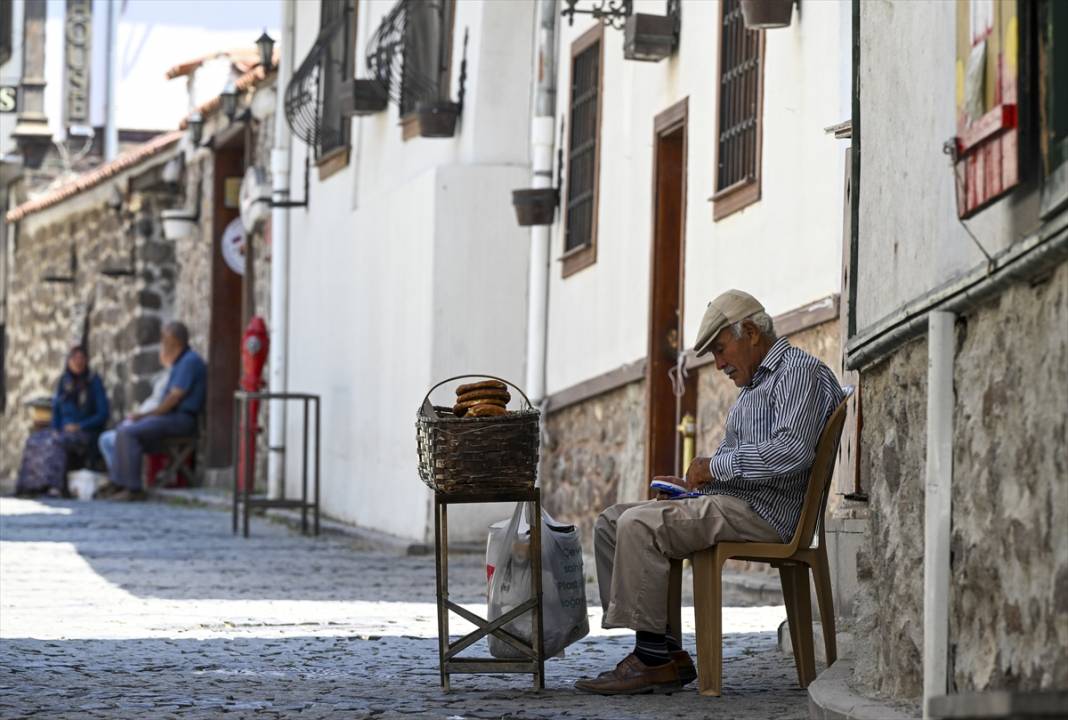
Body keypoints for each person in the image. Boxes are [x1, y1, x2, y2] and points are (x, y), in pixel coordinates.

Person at [574, 289, 844, 695]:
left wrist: (713, 468)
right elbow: (751, 460)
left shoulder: (796, 372)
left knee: (640, 524)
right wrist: (694, 486)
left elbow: (792, 452)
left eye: (721, 350)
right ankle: (664, 651)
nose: (718, 365)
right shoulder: (757, 384)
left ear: (750, 332)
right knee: (612, 522)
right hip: (738, 502)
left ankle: (651, 662)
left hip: (766, 514)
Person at [98, 321, 206, 501]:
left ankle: (133, 488)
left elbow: (173, 399)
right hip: (170, 418)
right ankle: (119, 483)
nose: (163, 343)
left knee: (129, 432)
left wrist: (145, 416)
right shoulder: (179, 362)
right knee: (124, 431)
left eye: (166, 339)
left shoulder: (189, 361)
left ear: (176, 341)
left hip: (181, 419)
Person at [15, 346, 109, 496]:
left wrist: (79, 426)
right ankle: (31, 485)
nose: (78, 362)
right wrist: (55, 428)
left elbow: (103, 414)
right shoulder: (64, 382)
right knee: (35, 439)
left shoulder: (93, 382)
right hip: (63, 431)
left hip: (84, 433)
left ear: (86, 361)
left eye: (81, 359)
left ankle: (54, 486)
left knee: (55, 442)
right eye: (74, 359)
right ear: (69, 361)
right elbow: (57, 409)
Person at [97, 369, 169, 471]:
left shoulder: (164, 398)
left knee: (123, 435)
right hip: (142, 424)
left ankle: (125, 480)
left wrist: (141, 417)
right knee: (106, 439)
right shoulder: (154, 399)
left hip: (149, 428)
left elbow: (159, 412)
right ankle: (117, 477)